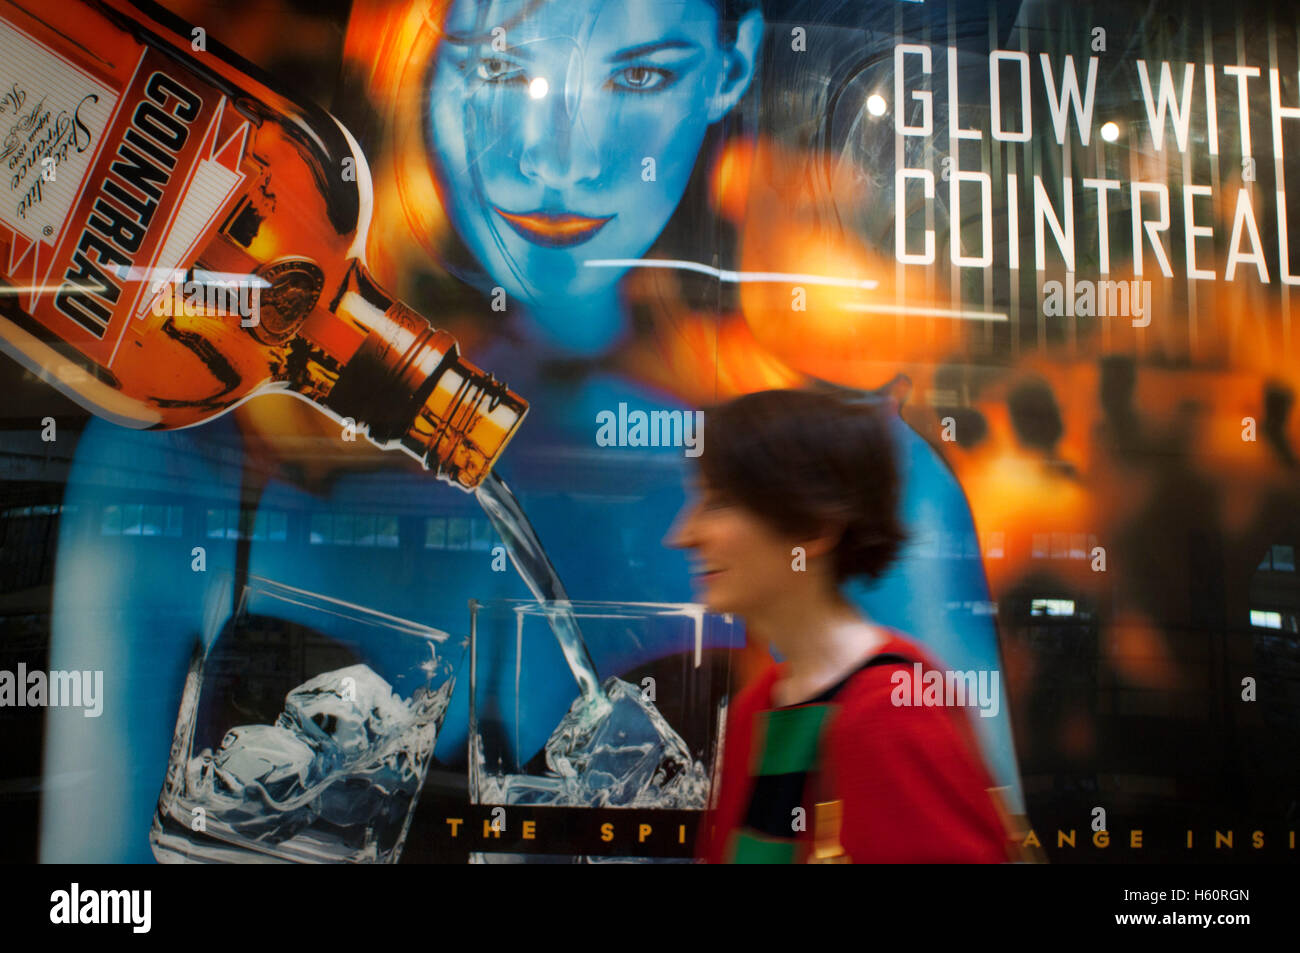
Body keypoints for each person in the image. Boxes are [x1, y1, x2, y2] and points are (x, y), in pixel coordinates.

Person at [666, 388, 1011, 862]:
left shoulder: (893, 710)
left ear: (812, 528)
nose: (682, 535)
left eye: (718, 503)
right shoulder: (760, 707)